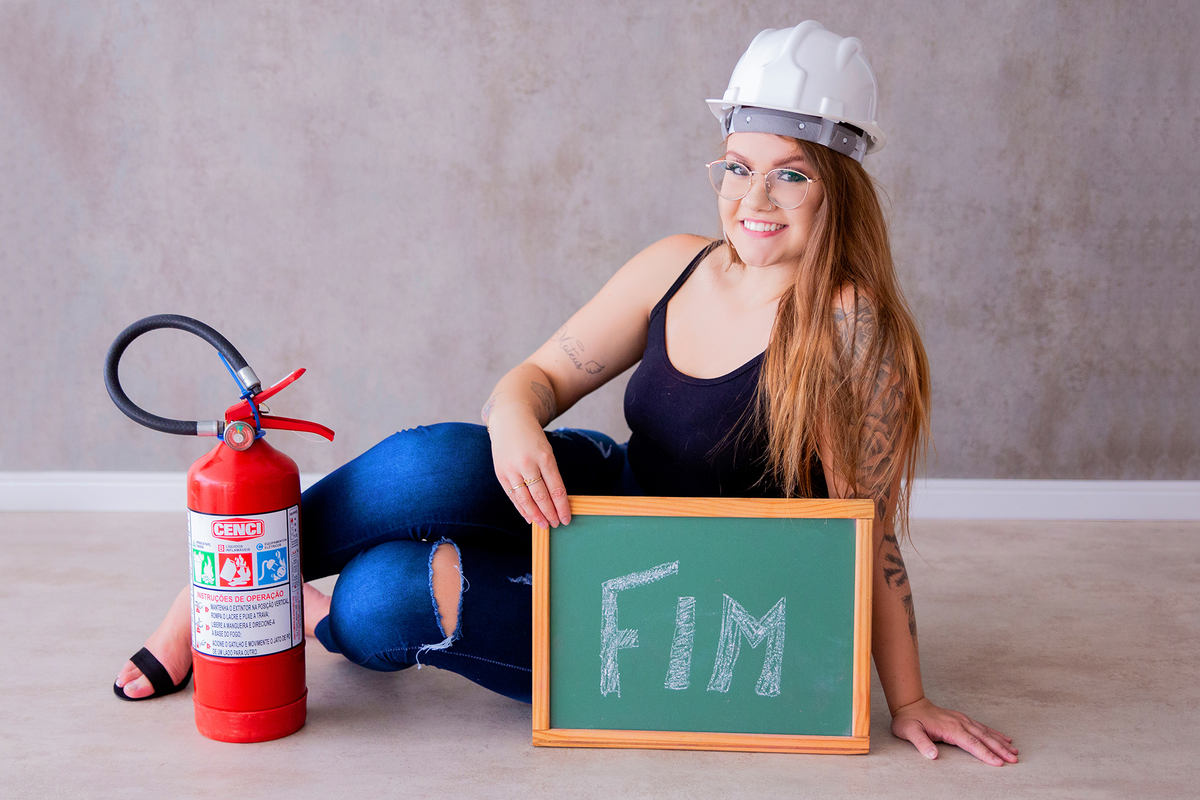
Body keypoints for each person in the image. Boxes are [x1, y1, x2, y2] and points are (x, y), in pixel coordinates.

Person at [114, 21, 1017, 766]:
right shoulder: (679, 265)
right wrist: (513, 423)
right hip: (599, 502)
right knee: (432, 461)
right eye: (737, 166)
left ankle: (314, 612)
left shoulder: (852, 328)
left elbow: (870, 530)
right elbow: (534, 380)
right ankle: (211, 601)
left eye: (792, 173)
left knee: (381, 600)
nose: (754, 197)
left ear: (841, 190)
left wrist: (909, 697)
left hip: (676, 612)